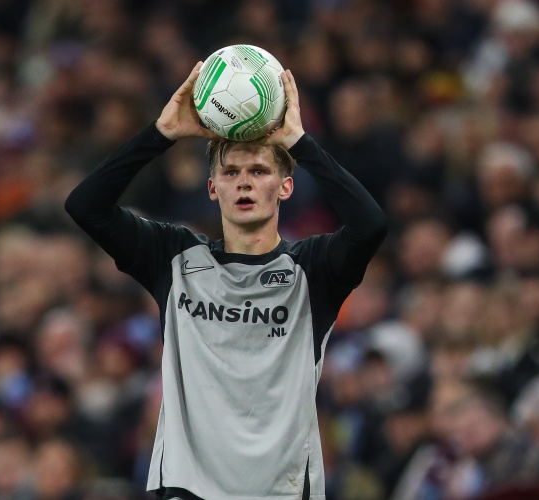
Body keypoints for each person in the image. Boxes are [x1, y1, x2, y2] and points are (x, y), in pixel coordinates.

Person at [65, 62, 388, 500]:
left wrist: (301, 144)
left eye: (259, 171)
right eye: (231, 173)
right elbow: (85, 206)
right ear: (213, 188)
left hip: (281, 491)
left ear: (285, 187)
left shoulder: (313, 270)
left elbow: (370, 225)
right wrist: (161, 134)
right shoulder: (175, 259)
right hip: (187, 487)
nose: (244, 184)